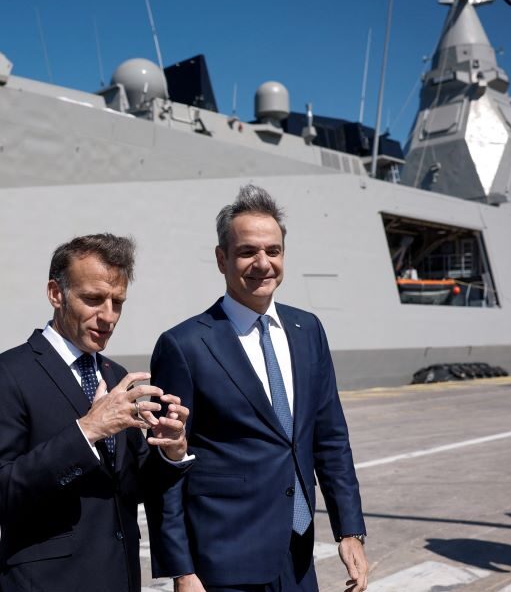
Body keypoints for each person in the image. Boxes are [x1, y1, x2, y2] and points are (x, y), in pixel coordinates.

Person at [148, 185, 368, 592]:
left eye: (273, 251)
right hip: (222, 563)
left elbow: (331, 438)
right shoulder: (184, 346)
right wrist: (182, 570)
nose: (263, 263)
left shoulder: (308, 330)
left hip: (297, 557)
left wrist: (350, 529)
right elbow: (164, 465)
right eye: (247, 251)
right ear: (222, 259)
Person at [0, 233, 192, 592]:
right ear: (55, 294)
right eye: (93, 299)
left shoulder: (115, 376)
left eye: (117, 302)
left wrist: (171, 451)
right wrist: (87, 431)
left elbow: (131, 487)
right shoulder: (5, 373)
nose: (108, 316)